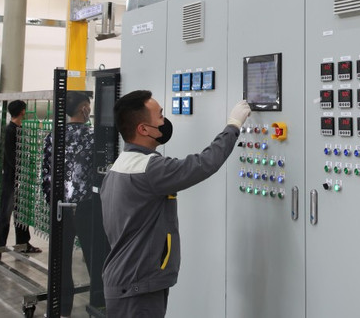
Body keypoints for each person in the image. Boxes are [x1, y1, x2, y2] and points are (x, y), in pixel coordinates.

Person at [100, 91, 250, 317]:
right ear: (143, 129)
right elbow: (203, 163)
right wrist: (233, 125)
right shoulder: (150, 169)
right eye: (159, 116)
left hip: (126, 278)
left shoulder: (119, 165)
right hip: (137, 284)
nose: (164, 121)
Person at [42, 91, 95, 318]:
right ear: (84, 108)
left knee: (60, 263)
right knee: (96, 259)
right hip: (87, 208)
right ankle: (100, 307)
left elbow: (46, 175)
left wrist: (53, 203)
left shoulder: (53, 135)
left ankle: (61, 311)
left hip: (59, 208)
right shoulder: (93, 137)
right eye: (88, 106)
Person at [0, 100, 42, 254]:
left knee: (21, 212)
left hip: (20, 178)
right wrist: (21, 170)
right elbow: (10, 157)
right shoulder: (10, 130)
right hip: (12, 178)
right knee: (6, 214)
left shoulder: (19, 129)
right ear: (22, 111)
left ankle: (23, 244)